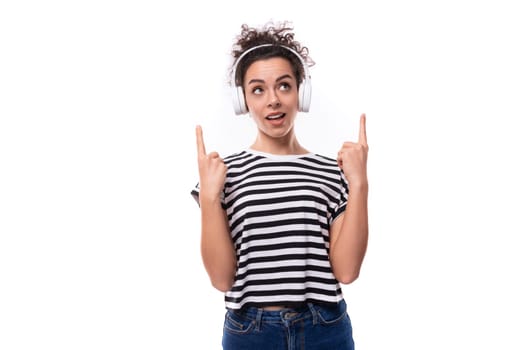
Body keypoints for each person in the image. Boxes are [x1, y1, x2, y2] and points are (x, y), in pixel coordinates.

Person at [191, 20, 369, 350]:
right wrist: (211, 196)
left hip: (324, 328)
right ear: (242, 100)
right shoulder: (222, 173)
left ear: (301, 92)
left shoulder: (332, 172)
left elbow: (346, 271)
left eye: (284, 86)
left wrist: (359, 185)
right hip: (250, 332)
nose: (273, 99)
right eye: (258, 89)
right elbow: (221, 279)